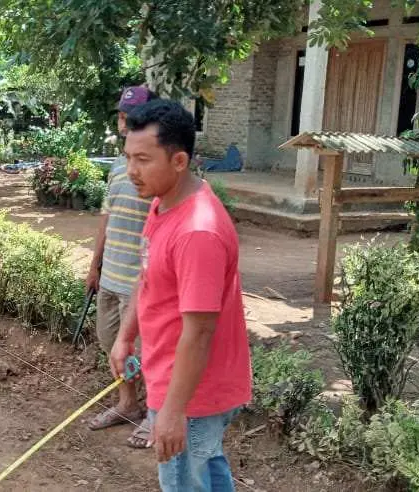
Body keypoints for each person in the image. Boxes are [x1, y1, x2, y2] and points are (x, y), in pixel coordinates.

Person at [109, 100, 251, 491]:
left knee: (186, 481)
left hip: (192, 393)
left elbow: (200, 332)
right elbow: (149, 275)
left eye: (142, 159)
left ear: (179, 161)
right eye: (127, 158)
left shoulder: (197, 232)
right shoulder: (163, 201)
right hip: (171, 380)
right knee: (205, 473)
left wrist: (173, 412)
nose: (131, 171)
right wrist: (125, 338)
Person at [85, 85, 157, 449]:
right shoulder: (117, 167)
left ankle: (154, 414)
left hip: (140, 282)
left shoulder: (159, 172)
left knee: (142, 352)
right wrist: (94, 265)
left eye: (134, 116)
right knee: (109, 342)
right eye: (123, 115)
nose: (126, 122)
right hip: (110, 275)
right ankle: (128, 403)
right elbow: (106, 218)